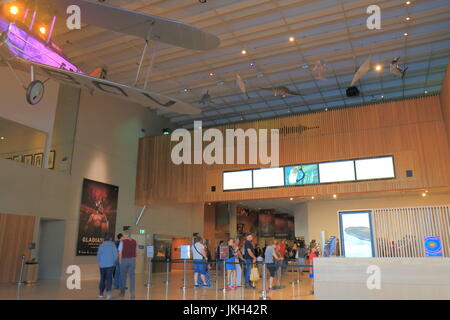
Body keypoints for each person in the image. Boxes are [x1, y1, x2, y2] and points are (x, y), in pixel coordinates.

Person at [96, 234, 118, 299]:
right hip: (110, 265)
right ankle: (108, 294)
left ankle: (100, 294)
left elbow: (98, 256)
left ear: (104, 239)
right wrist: (113, 262)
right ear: (110, 239)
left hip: (102, 266)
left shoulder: (101, 245)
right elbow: (116, 256)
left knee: (102, 279)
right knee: (109, 279)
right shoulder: (113, 245)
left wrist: (101, 262)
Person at [118, 231, 137, 299]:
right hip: (132, 260)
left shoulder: (122, 242)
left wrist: (120, 261)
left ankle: (122, 292)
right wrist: (134, 259)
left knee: (123, 277)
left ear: (125, 236)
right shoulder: (135, 241)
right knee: (132, 277)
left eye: (123, 235)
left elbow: (120, 252)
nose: (122, 237)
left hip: (124, 260)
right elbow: (136, 251)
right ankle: (132, 294)